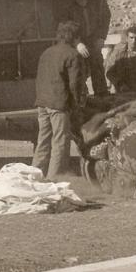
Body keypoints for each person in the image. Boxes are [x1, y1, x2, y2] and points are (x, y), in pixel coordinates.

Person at [32, 20, 84, 180]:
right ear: (75, 37)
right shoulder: (73, 55)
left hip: (42, 103)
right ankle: (54, 179)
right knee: (60, 142)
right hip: (59, 104)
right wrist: (77, 104)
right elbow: (75, 84)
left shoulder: (46, 52)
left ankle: (33, 176)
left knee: (43, 141)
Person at [63, 0, 111, 96]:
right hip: (77, 40)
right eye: (79, 0)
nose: (82, 2)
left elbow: (106, 16)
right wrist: (77, 43)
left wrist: (101, 37)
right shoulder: (67, 5)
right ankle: (81, 96)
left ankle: (101, 94)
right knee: (78, 67)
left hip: (94, 38)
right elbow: (65, 26)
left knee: (97, 63)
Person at [105, 25, 136, 93]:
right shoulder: (119, 52)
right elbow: (109, 71)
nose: (134, 41)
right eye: (131, 38)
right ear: (127, 38)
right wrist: (119, 84)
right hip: (121, 90)